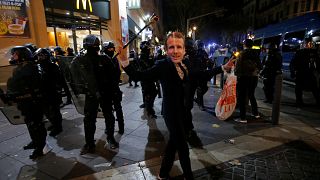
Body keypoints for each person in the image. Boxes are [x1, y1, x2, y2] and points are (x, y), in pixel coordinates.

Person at [118, 32, 233, 180]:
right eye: (171, 47)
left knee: (173, 144)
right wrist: (125, 62)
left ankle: (163, 173)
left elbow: (200, 74)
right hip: (171, 113)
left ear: (184, 49)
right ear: (166, 49)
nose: (175, 50)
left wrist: (222, 67)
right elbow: (140, 76)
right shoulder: (162, 66)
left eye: (179, 46)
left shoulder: (185, 64)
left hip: (184, 111)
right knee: (183, 148)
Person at [71, 35, 119, 154]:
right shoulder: (80, 60)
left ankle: (110, 138)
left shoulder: (104, 59)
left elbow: (113, 76)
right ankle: (90, 143)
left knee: (108, 116)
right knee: (89, 119)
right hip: (90, 94)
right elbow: (73, 75)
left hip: (104, 93)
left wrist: (114, 91)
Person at [5, 46, 47, 159]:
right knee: (30, 123)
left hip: (32, 102)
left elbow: (26, 85)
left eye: (15, 54)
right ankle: (35, 142)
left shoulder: (29, 68)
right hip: (24, 101)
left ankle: (40, 146)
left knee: (36, 124)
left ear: (22, 56)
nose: (13, 57)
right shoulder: (22, 67)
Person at [34, 48, 64, 137]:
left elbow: (58, 79)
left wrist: (58, 90)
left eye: (40, 56)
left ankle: (58, 127)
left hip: (52, 92)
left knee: (54, 111)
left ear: (45, 56)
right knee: (47, 111)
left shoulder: (52, 66)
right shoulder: (39, 65)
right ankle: (53, 124)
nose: (38, 57)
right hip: (44, 92)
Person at [234, 39, 262, 123]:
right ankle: (256, 113)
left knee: (242, 97)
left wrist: (237, 74)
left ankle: (242, 118)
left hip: (244, 77)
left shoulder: (242, 54)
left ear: (244, 45)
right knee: (251, 95)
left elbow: (238, 66)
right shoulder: (255, 53)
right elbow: (260, 66)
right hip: (254, 77)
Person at [102, 41, 125, 134]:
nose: (111, 50)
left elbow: (117, 73)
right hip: (106, 89)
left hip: (114, 88)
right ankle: (109, 127)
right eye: (109, 49)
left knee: (118, 108)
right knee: (108, 111)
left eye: (112, 49)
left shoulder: (114, 60)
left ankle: (121, 127)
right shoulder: (102, 59)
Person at [290, 37, 320, 106]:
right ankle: (299, 102)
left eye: (310, 44)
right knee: (299, 89)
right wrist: (293, 72)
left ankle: (318, 102)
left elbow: (318, 63)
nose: (308, 45)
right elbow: (293, 63)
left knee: (314, 89)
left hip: (310, 73)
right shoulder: (300, 52)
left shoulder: (314, 53)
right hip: (301, 73)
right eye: (307, 44)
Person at [138, 40, 158, 118]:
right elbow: (145, 67)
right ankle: (150, 110)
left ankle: (149, 107)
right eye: (147, 47)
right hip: (146, 78)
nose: (149, 49)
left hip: (149, 78)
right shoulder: (143, 56)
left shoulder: (147, 56)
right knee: (149, 93)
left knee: (151, 93)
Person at [194, 40, 210, 110]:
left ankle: (198, 100)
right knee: (200, 88)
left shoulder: (202, 52)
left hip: (203, 72)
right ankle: (201, 104)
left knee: (204, 88)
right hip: (199, 72)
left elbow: (207, 60)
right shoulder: (196, 53)